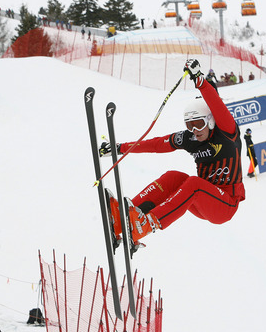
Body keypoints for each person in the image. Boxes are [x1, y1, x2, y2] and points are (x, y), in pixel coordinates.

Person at [99, 59, 246, 252]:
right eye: (189, 125)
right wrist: (119, 148)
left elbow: (218, 106)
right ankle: (126, 217)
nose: (195, 131)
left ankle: (146, 225)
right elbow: (157, 144)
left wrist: (200, 80)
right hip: (201, 200)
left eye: (199, 124)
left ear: (210, 121)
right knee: (174, 177)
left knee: (193, 183)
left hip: (225, 204)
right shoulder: (191, 139)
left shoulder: (227, 132)